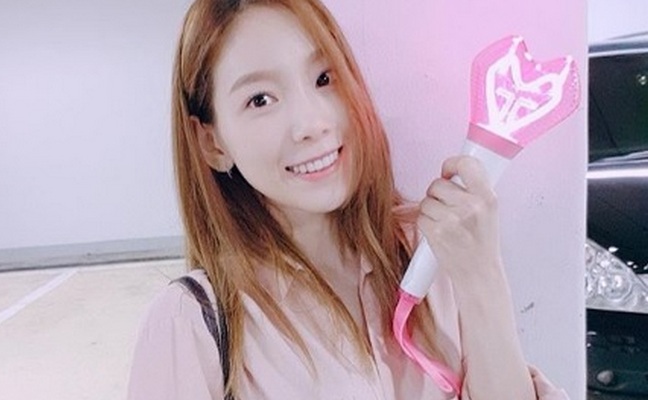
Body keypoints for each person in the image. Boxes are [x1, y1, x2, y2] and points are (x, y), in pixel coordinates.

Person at [127, 0, 570, 399]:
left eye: (324, 78)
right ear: (212, 143)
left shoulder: (433, 250)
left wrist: (482, 276)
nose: (311, 123)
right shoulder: (191, 325)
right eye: (260, 100)